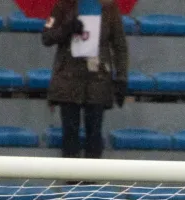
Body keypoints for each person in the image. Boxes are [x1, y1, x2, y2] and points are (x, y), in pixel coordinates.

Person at [42, 0, 128, 160]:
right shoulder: (63, 6)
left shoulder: (109, 8)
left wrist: (121, 77)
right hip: (68, 77)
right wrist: (67, 28)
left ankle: (92, 178)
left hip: (97, 78)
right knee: (70, 132)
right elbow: (47, 37)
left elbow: (119, 44)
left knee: (94, 132)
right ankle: (70, 177)